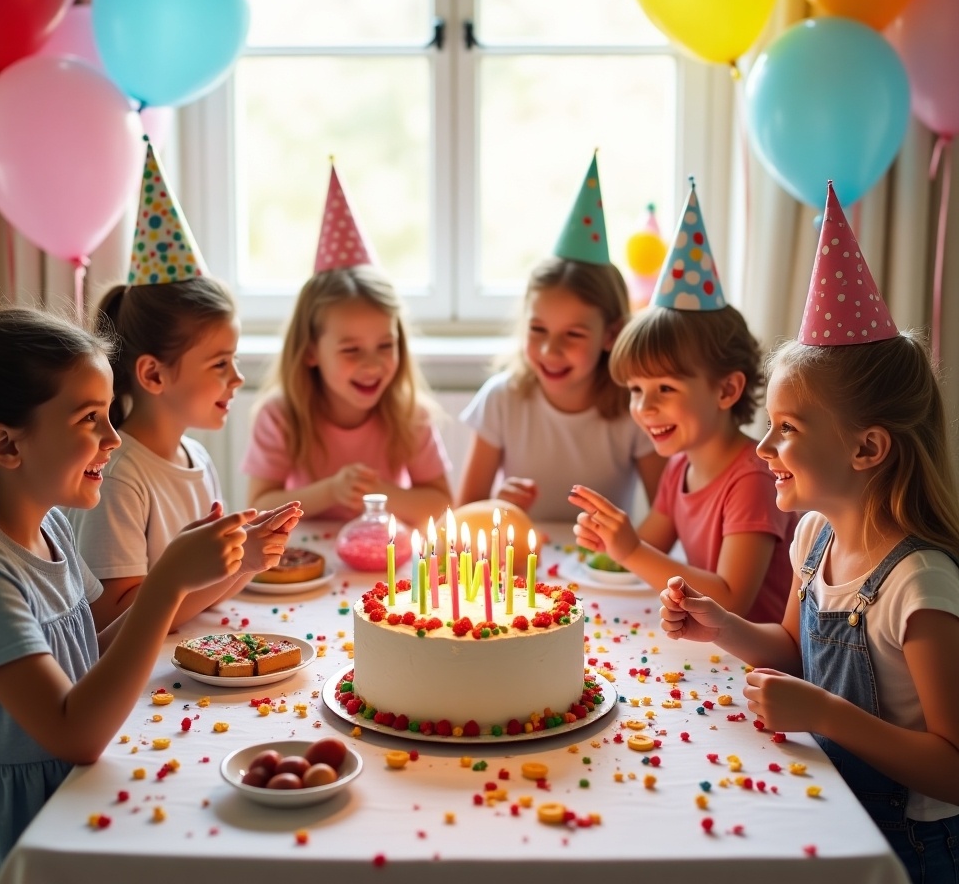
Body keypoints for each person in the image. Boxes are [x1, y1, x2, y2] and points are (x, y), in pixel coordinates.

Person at [660, 183, 959, 882]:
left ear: (867, 449)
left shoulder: (920, 586)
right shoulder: (815, 537)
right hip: (832, 801)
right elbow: (793, 649)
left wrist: (825, 713)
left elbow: (951, 767)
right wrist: (721, 627)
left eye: (787, 430)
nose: (762, 447)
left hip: (910, 848)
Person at [0, 309, 262, 884]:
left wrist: (202, 575)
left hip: (69, 793)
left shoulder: (51, 527)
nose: (114, 438)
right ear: (6, 446)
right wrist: (164, 585)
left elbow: (88, 646)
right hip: (11, 826)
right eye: (90, 419)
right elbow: (74, 731)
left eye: (109, 414)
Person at [69, 139, 302, 630]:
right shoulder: (119, 475)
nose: (237, 378)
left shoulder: (198, 459)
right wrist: (241, 562)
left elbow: (200, 594)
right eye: (219, 363)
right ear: (154, 374)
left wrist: (249, 557)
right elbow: (111, 619)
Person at [569, 178, 796, 620]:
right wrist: (607, 540)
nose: (644, 407)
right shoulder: (679, 469)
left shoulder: (753, 479)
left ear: (726, 390)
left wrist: (630, 549)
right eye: (636, 390)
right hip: (710, 651)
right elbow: (645, 546)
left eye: (665, 389)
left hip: (764, 666)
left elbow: (731, 600)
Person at [457, 153, 665, 522]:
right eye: (537, 330)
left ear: (611, 334)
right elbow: (463, 516)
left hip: (598, 572)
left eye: (573, 334)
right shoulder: (502, 399)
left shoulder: (634, 410)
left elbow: (666, 517)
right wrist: (497, 508)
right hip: (521, 567)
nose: (550, 350)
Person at [243, 162, 452, 527]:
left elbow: (442, 506)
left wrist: (380, 495)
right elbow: (259, 508)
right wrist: (330, 491)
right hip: (309, 565)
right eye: (351, 350)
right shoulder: (279, 416)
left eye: (385, 345)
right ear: (310, 351)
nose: (372, 364)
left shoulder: (410, 415)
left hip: (387, 561)